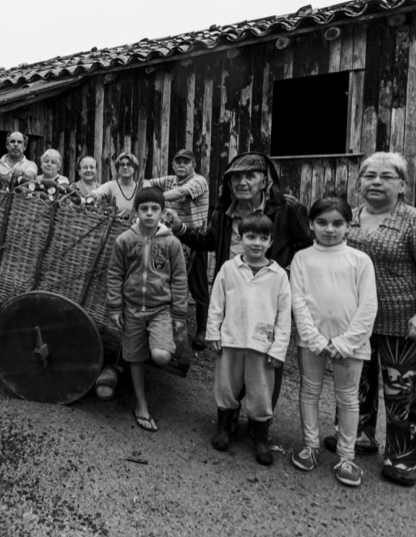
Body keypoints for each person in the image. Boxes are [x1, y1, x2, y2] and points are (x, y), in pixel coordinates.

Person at [322, 152, 416, 488]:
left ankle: (404, 456)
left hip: (400, 324)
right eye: (369, 175)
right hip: (355, 324)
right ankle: (357, 436)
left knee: (401, 391)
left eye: (386, 176)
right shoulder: (346, 219)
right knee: (354, 386)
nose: (376, 181)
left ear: (402, 185)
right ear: (360, 182)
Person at [168, 151, 310, 390]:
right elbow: (207, 242)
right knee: (230, 357)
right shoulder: (223, 214)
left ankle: (259, 422)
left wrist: (283, 273)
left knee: (266, 361)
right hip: (233, 297)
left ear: (264, 181)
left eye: (250, 176)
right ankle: (227, 416)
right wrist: (180, 228)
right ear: (229, 183)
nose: (242, 182)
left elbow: (306, 249)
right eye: (236, 177)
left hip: (268, 300)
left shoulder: (287, 209)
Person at [290, 197, 378, 487]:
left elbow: (368, 306)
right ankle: (310, 445)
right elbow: (298, 301)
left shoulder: (359, 260)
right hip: (311, 341)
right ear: (312, 224)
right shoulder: (302, 258)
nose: (330, 229)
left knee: (348, 398)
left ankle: (346, 456)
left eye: (337, 223)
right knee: (310, 391)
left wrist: (344, 342)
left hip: (350, 344)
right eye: (323, 223)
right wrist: (313, 338)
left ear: (348, 226)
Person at [205, 213, 291, 465]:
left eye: (263, 238)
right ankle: (224, 427)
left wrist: (278, 349)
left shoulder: (278, 276)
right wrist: (213, 332)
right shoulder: (229, 269)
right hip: (231, 339)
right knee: (226, 386)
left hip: (261, 345)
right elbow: (217, 303)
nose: (256, 243)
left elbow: (284, 316)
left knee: (260, 391)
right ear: (239, 238)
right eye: (250, 236)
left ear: (271, 241)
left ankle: (260, 437)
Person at [106, 187, 188, 433]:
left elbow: (180, 280)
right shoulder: (125, 240)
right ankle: (141, 404)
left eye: (155, 209)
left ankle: (163, 342)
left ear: (163, 213)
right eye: (144, 209)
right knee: (134, 357)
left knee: (161, 355)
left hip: (160, 310)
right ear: (136, 212)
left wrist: (179, 314)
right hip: (131, 309)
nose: (149, 214)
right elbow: (115, 274)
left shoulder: (172, 243)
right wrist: (115, 306)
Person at [146, 148, 210, 355]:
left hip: (194, 237)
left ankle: (202, 330)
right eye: (178, 162)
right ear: (173, 164)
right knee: (170, 281)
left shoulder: (199, 181)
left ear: (193, 165)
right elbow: (148, 183)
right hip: (172, 237)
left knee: (198, 284)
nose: (182, 165)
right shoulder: (169, 180)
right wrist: (145, 188)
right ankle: (168, 326)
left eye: (186, 162)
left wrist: (153, 200)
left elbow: (182, 193)